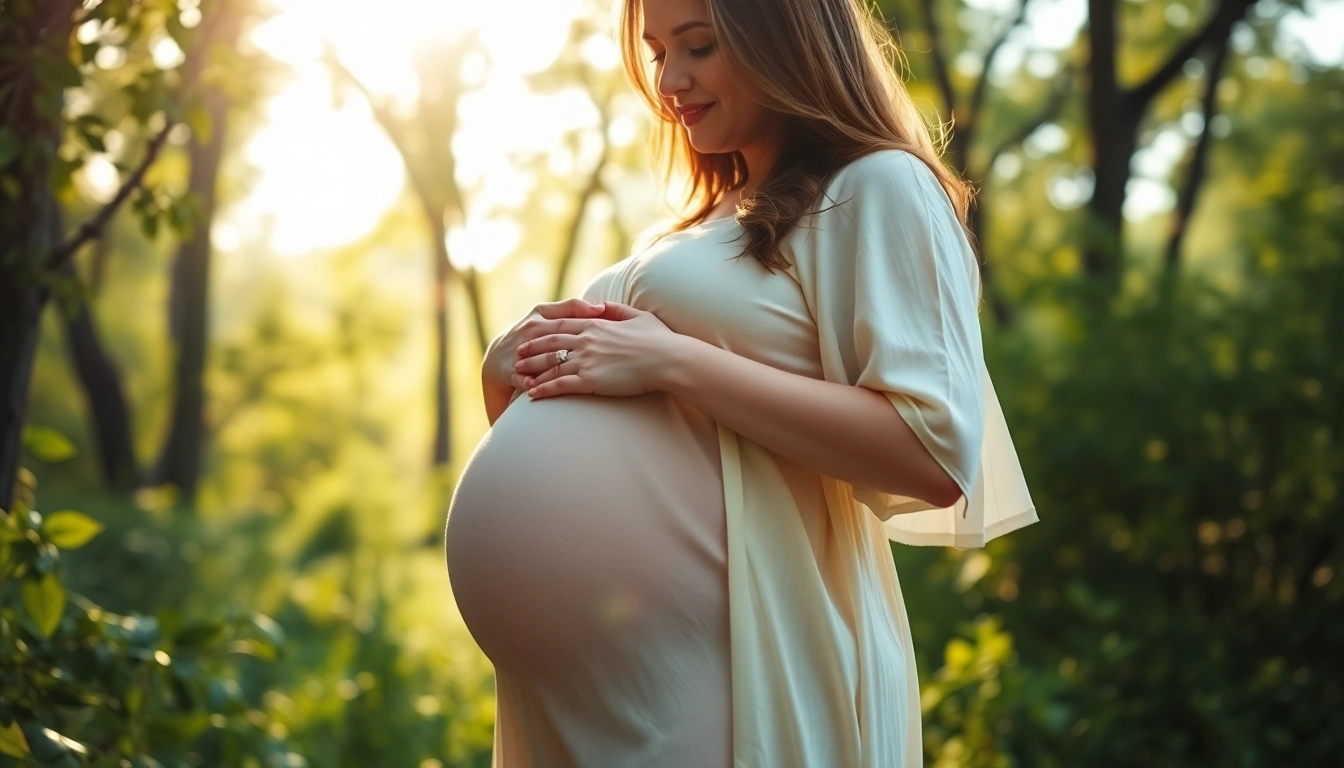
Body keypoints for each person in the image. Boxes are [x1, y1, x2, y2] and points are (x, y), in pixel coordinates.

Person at [443, 0, 1038, 764]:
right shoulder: (695, 224)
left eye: (698, 46)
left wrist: (673, 361)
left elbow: (932, 456)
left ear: (785, 41)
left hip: (741, 657)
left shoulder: (877, 186)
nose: (670, 80)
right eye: (658, 52)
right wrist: (510, 369)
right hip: (583, 696)